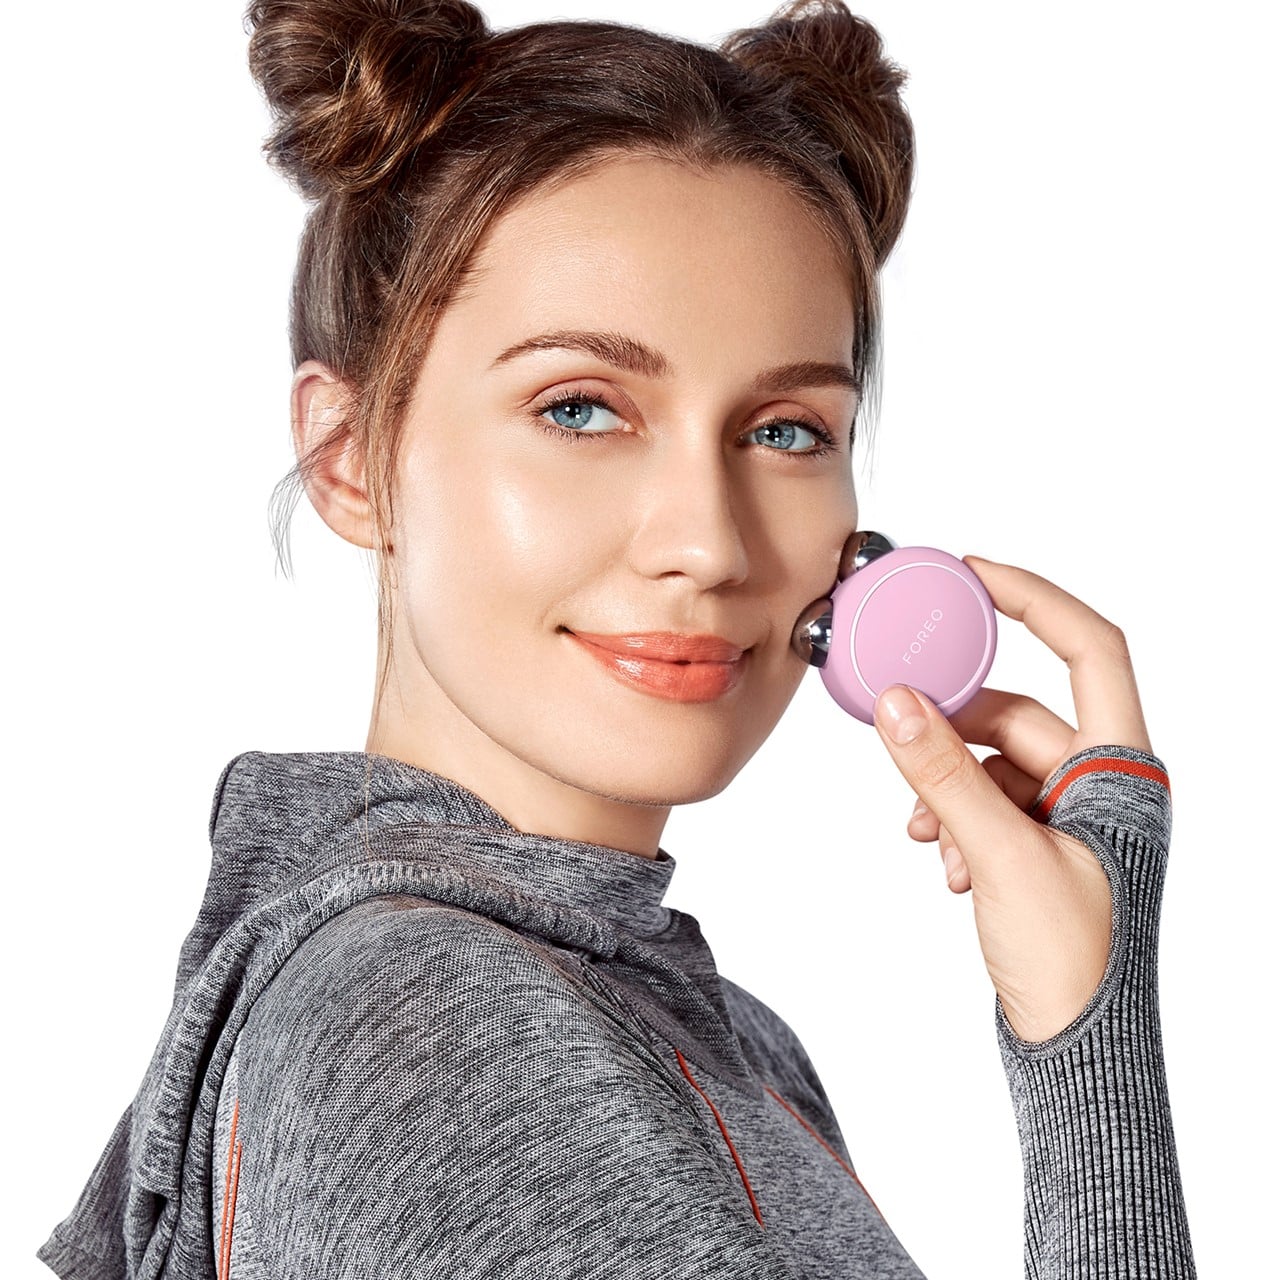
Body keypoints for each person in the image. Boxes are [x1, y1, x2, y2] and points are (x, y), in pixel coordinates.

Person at [36, 1, 1197, 1277]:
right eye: (580, 408)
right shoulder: (435, 1021)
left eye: (784, 430)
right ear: (349, 456)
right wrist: (1088, 1063)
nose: (708, 542)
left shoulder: (719, 1037)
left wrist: (1081, 1008)